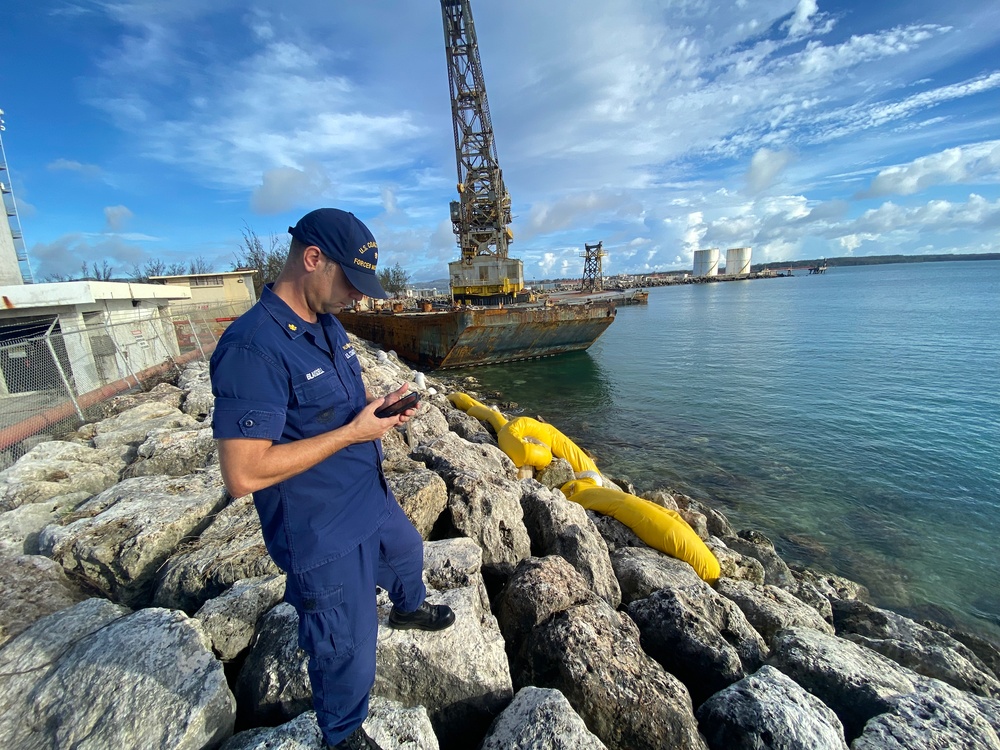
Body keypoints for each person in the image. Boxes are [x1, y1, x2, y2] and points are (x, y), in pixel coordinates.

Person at [210, 208, 455, 750]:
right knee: (347, 648)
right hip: (321, 528)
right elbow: (243, 474)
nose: (359, 297)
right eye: (351, 282)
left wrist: (376, 413)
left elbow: (335, 414)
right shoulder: (252, 347)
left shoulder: (329, 323)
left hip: (367, 495)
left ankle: (409, 608)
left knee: (408, 551)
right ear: (313, 258)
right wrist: (351, 435)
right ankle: (342, 734)